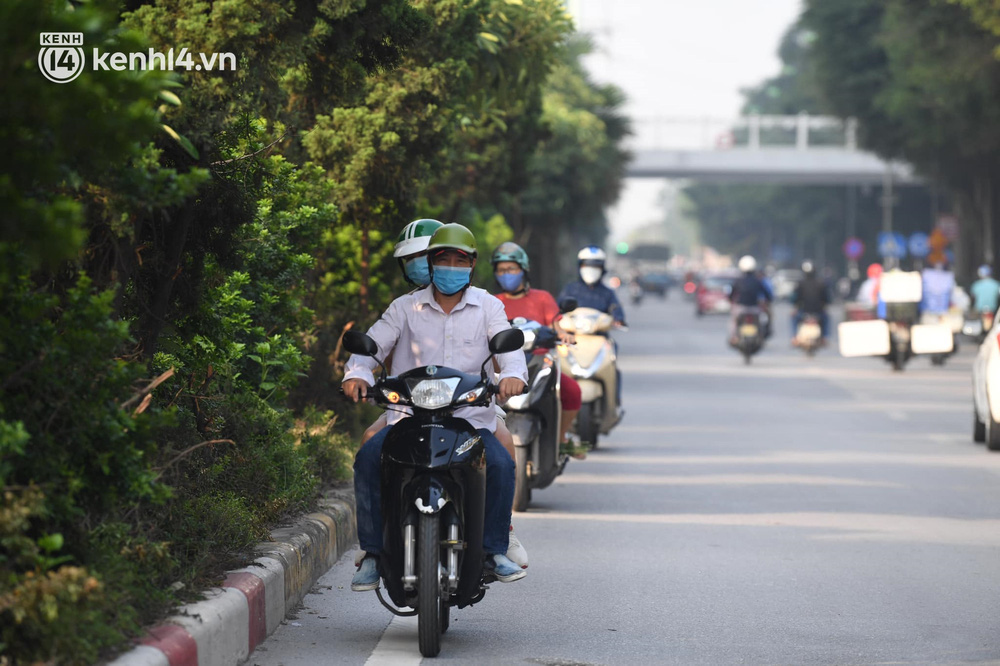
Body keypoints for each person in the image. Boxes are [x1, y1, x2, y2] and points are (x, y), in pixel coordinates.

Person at [342, 223, 529, 590]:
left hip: (469, 419)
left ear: (472, 265)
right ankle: (373, 553)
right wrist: (358, 373)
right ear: (431, 262)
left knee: (503, 463)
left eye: (460, 259)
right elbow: (372, 347)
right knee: (367, 457)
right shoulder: (404, 307)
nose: (451, 266)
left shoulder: (488, 306)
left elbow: (510, 353)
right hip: (408, 418)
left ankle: (493, 549)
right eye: (443, 258)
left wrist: (513, 376)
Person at [491, 241, 584, 455]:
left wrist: (564, 335)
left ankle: (561, 437)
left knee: (571, 391)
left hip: (539, 362)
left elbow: (555, 325)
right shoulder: (492, 302)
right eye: (501, 270)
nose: (507, 274)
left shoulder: (542, 298)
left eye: (511, 269)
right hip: (501, 367)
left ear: (523, 270)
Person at [558, 246, 627, 326]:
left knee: (609, 339)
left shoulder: (607, 293)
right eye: (586, 265)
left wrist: (618, 318)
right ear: (580, 267)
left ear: (602, 268)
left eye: (596, 266)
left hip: (599, 334)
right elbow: (557, 309)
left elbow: (615, 308)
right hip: (571, 334)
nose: (591, 269)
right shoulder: (571, 289)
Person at [729, 255, 773, 342]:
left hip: (741, 308)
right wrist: (767, 301)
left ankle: (734, 337)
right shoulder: (758, 280)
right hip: (755, 308)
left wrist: (731, 301)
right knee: (765, 317)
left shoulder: (738, 280)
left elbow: (731, 295)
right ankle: (763, 334)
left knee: (734, 320)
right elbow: (767, 294)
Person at [791, 260, 832, 345]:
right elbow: (827, 298)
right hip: (818, 312)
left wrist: (795, 306)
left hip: (804, 312)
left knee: (794, 318)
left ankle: (794, 337)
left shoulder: (799, 284)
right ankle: (824, 337)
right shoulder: (821, 284)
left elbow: (794, 298)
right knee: (826, 318)